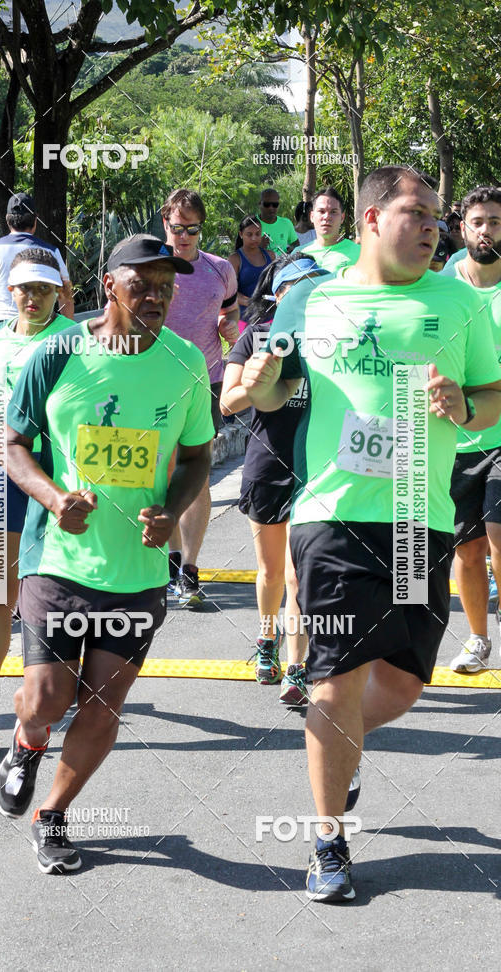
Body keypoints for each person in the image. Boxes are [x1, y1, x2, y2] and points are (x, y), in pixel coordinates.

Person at [242, 164, 501, 902]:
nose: (432, 227)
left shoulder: (458, 303)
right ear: (369, 221)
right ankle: (327, 844)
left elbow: (493, 395)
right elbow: (269, 389)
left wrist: (463, 404)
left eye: (436, 217)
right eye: (416, 213)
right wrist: (257, 384)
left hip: (420, 512)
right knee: (333, 677)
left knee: (402, 682)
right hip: (331, 515)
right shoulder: (309, 300)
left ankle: (346, 750)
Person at [0, 234, 214, 874]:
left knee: (103, 704)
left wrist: (170, 511)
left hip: (139, 572)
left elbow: (198, 456)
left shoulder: (185, 363)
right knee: (44, 700)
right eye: (141, 285)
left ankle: (53, 815)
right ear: (108, 284)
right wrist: (54, 496)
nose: (155, 298)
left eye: (166, 289)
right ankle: (26, 748)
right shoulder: (58, 353)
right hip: (59, 559)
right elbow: (14, 444)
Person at [0, 249, 74, 747]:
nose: (32, 298)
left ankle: (45, 697)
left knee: (44, 596)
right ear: (10, 291)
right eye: (24, 289)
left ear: (57, 294)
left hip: (50, 475)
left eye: (43, 290)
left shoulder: (70, 343)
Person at [220, 253, 328, 703]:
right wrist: (254, 380)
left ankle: (298, 666)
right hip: (268, 464)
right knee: (270, 571)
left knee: (300, 575)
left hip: (319, 469)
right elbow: (227, 404)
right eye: (296, 288)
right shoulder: (257, 339)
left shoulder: (337, 341)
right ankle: (266, 640)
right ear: (278, 295)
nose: (306, 297)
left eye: (315, 286)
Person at [161, 188, 240, 605]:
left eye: (192, 229)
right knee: (162, 474)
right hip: (153, 381)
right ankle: (172, 560)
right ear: (165, 224)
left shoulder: (220, 269)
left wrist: (230, 327)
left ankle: (190, 568)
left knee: (197, 474)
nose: (185, 236)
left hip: (206, 381)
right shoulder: (151, 265)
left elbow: (230, 312)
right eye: (178, 228)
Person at [442, 187, 501, 672]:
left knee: (500, 537)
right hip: (453, 439)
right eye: (478, 221)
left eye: (496, 222)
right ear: (463, 227)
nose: (486, 230)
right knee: (468, 547)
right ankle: (479, 640)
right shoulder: (441, 288)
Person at [0, 192, 74, 330]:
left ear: (8, 220)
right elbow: (65, 296)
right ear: (35, 220)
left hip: (1, 327)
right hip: (38, 327)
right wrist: (69, 329)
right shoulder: (51, 252)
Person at [296, 186, 360, 272]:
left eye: (333, 212)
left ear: (342, 217)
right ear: (312, 216)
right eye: (321, 211)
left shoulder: (360, 253)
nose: (327, 217)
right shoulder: (298, 255)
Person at [227, 215, 274, 316]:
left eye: (258, 234)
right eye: (249, 234)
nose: (254, 238)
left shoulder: (271, 255)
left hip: (269, 316)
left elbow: (278, 283)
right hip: (245, 318)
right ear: (241, 234)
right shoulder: (235, 259)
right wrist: (252, 303)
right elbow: (230, 292)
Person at [257, 188, 298, 257]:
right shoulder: (251, 223)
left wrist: (291, 250)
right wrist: (258, 246)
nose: (271, 208)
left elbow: (296, 244)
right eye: (267, 204)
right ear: (259, 204)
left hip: (282, 266)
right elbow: (241, 251)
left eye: (275, 205)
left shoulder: (286, 223)